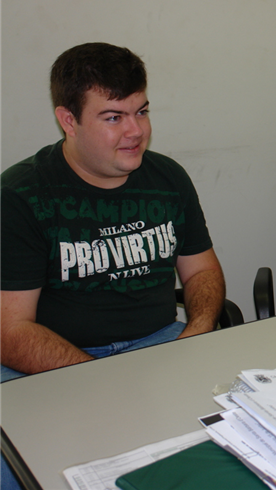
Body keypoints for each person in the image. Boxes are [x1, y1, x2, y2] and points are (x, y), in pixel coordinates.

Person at [0, 43, 226, 384]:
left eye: (141, 112)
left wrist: (195, 333)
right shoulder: (20, 196)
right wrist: (104, 379)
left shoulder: (168, 177)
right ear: (68, 121)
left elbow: (202, 272)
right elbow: (10, 331)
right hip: (57, 359)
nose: (135, 131)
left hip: (160, 343)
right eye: (113, 117)